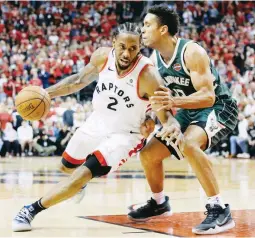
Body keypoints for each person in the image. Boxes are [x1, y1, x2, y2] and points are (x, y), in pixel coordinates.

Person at [12, 23, 173, 232]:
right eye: (122, 46)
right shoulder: (102, 57)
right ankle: (79, 184)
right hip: (97, 122)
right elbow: (78, 81)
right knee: (66, 167)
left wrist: (151, 120)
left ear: (140, 47)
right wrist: (46, 94)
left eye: (133, 48)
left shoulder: (148, 75)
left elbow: (162, 111)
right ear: (113, 42)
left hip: (126, 135)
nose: (127, 53)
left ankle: (30, 210)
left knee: (79, 176)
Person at [127, 5, 238, 235]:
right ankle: (159, 203)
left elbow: (208, 96)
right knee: (149, 153)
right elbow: (160, 99)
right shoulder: (155, 60)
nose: (143, 30)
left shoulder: (191, 51)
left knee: (189, 144)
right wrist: (149, 117)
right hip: (188, 111)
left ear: (163, 29)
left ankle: (219, 209)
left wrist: (173, 103)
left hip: (219, 107)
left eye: (148, 25)